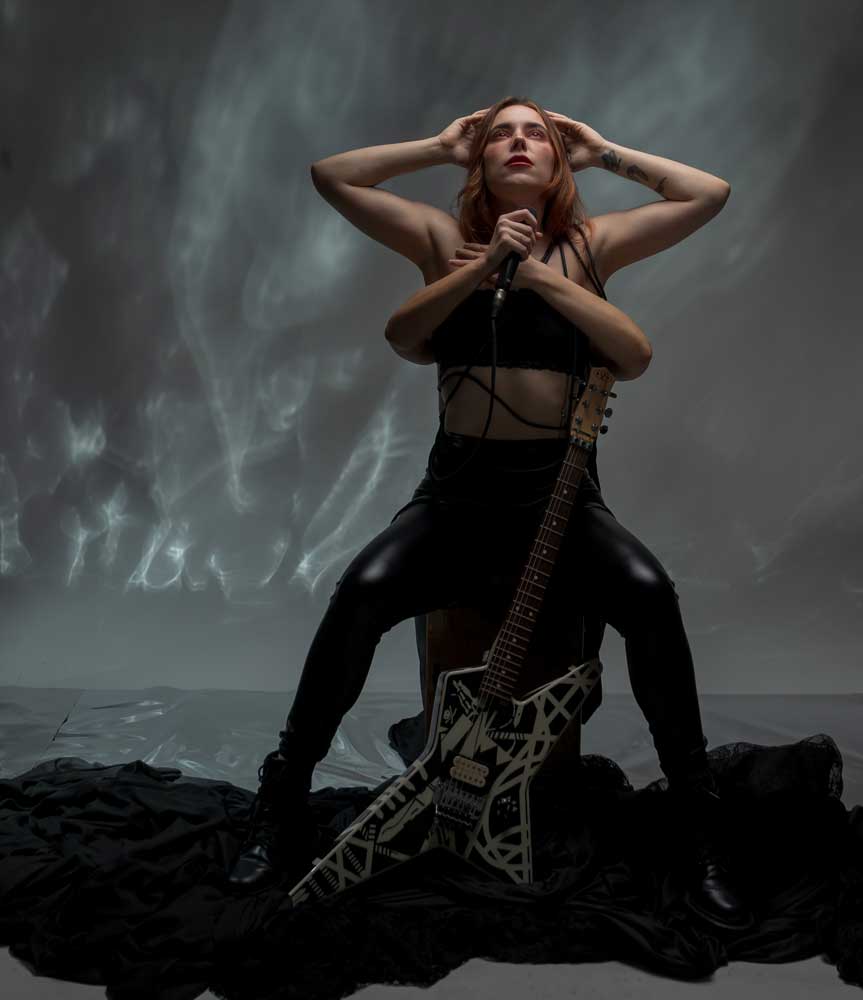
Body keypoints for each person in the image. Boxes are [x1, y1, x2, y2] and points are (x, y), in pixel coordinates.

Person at [227, 98, 748, 929]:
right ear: (482, 159)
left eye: (536, 133)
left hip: (562, 500)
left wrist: (603, 152)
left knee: (651, 595)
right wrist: (439, 149)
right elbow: (333, 178)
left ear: (557, 162)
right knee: (360, 591)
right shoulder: (444, 242)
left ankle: (698, 824)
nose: (518, 141)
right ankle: (283, 798)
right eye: (502, 132)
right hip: (456, 500)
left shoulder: (589, 245)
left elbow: (708, 194)